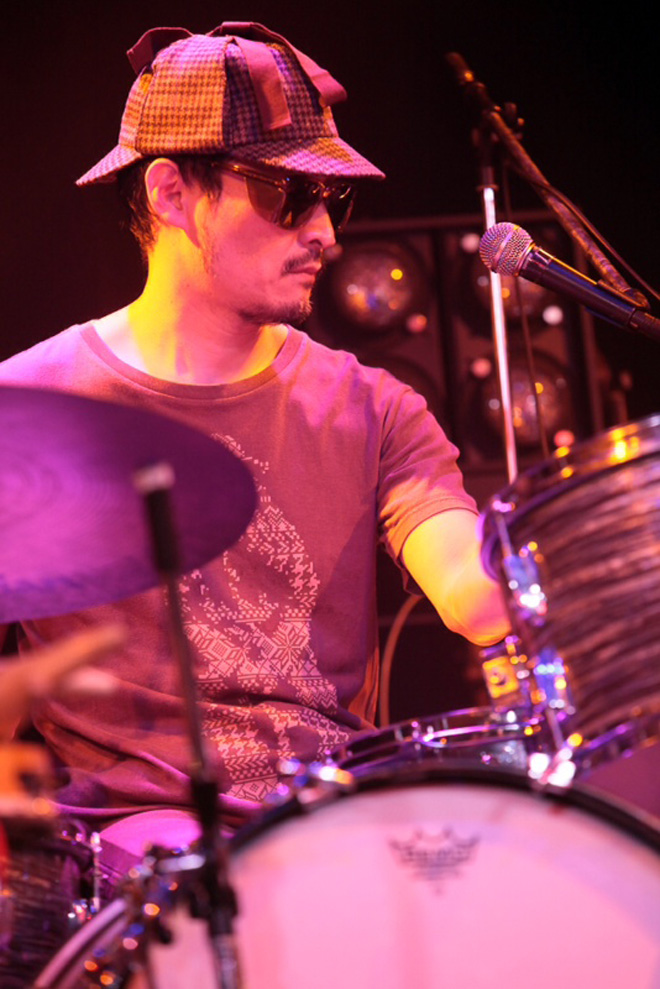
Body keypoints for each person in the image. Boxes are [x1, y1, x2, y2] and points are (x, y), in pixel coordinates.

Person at [0, 22, 510, 875]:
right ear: (170, 192)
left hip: (336, 833)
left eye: (332, 199)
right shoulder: (26, 410)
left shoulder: (374, 408)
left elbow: (476, 595)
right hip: (132, 861)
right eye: (288, 193)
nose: (325, 233)